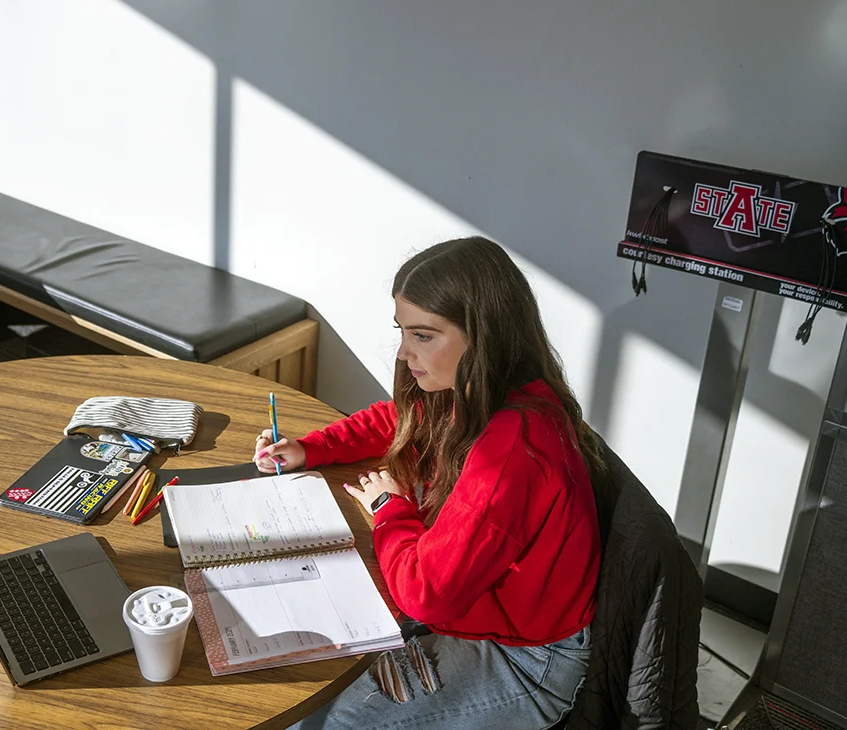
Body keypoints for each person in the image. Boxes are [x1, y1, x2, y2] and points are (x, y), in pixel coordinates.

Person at [252, 237, 604, 730]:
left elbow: (425, 592)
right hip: (471, 612)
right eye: (402, 332)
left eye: (422, 335)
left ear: (485, 336)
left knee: (319, 722)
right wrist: (311, 448)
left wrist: (389, 510)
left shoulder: (513, 449)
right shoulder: (470, 389)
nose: (403, 353)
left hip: (523, 661)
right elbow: (397, 419)